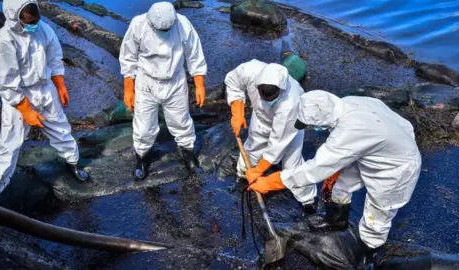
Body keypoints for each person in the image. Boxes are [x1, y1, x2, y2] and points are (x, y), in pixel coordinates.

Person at [249, 90, 421, 266]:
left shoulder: (350, 131)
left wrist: (272, 181)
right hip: (372, 149)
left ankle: (368, 254)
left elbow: (314, 169)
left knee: (377, 214)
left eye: (312, 125)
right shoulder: (349, 102)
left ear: (322, 119)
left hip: (395, 167)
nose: (312, 129)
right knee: (338, 185)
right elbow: (405, 125)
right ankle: (336, 221)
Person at [0, 0, 90, 201]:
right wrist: (26, 111)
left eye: (36, 19)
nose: (34, 24)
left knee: (61, 128)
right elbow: (7, 83)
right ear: (15, 18)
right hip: (18, 98)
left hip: (44, 88)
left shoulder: (43, 29)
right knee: (10, 145)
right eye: (29, 21)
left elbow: (54, 58)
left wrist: (60, 85)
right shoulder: (0, 43)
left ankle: (73, 163)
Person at [119, 2, 207, 180]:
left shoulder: (183, 24)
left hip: (175, 80)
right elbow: (128, 57)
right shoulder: (138, 24)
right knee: (144, 127)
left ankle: (188, 156)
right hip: (147, 82)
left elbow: (194, 54)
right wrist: (129, 89)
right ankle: (142, 159)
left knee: (181, 122)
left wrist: (199, 84)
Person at [225, 59, 317, 212]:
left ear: (280, 90)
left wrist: (259, 170)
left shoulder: (291, 102)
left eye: (271, 97)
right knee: (251, 150)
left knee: (291, 163)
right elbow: (233, 80)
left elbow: (277, 144)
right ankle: (242, 177)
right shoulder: (251, 70)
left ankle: (307, 199)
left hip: (291, 127)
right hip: (261, 118)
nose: (266, 99)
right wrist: (237, 110)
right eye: (262, 94)